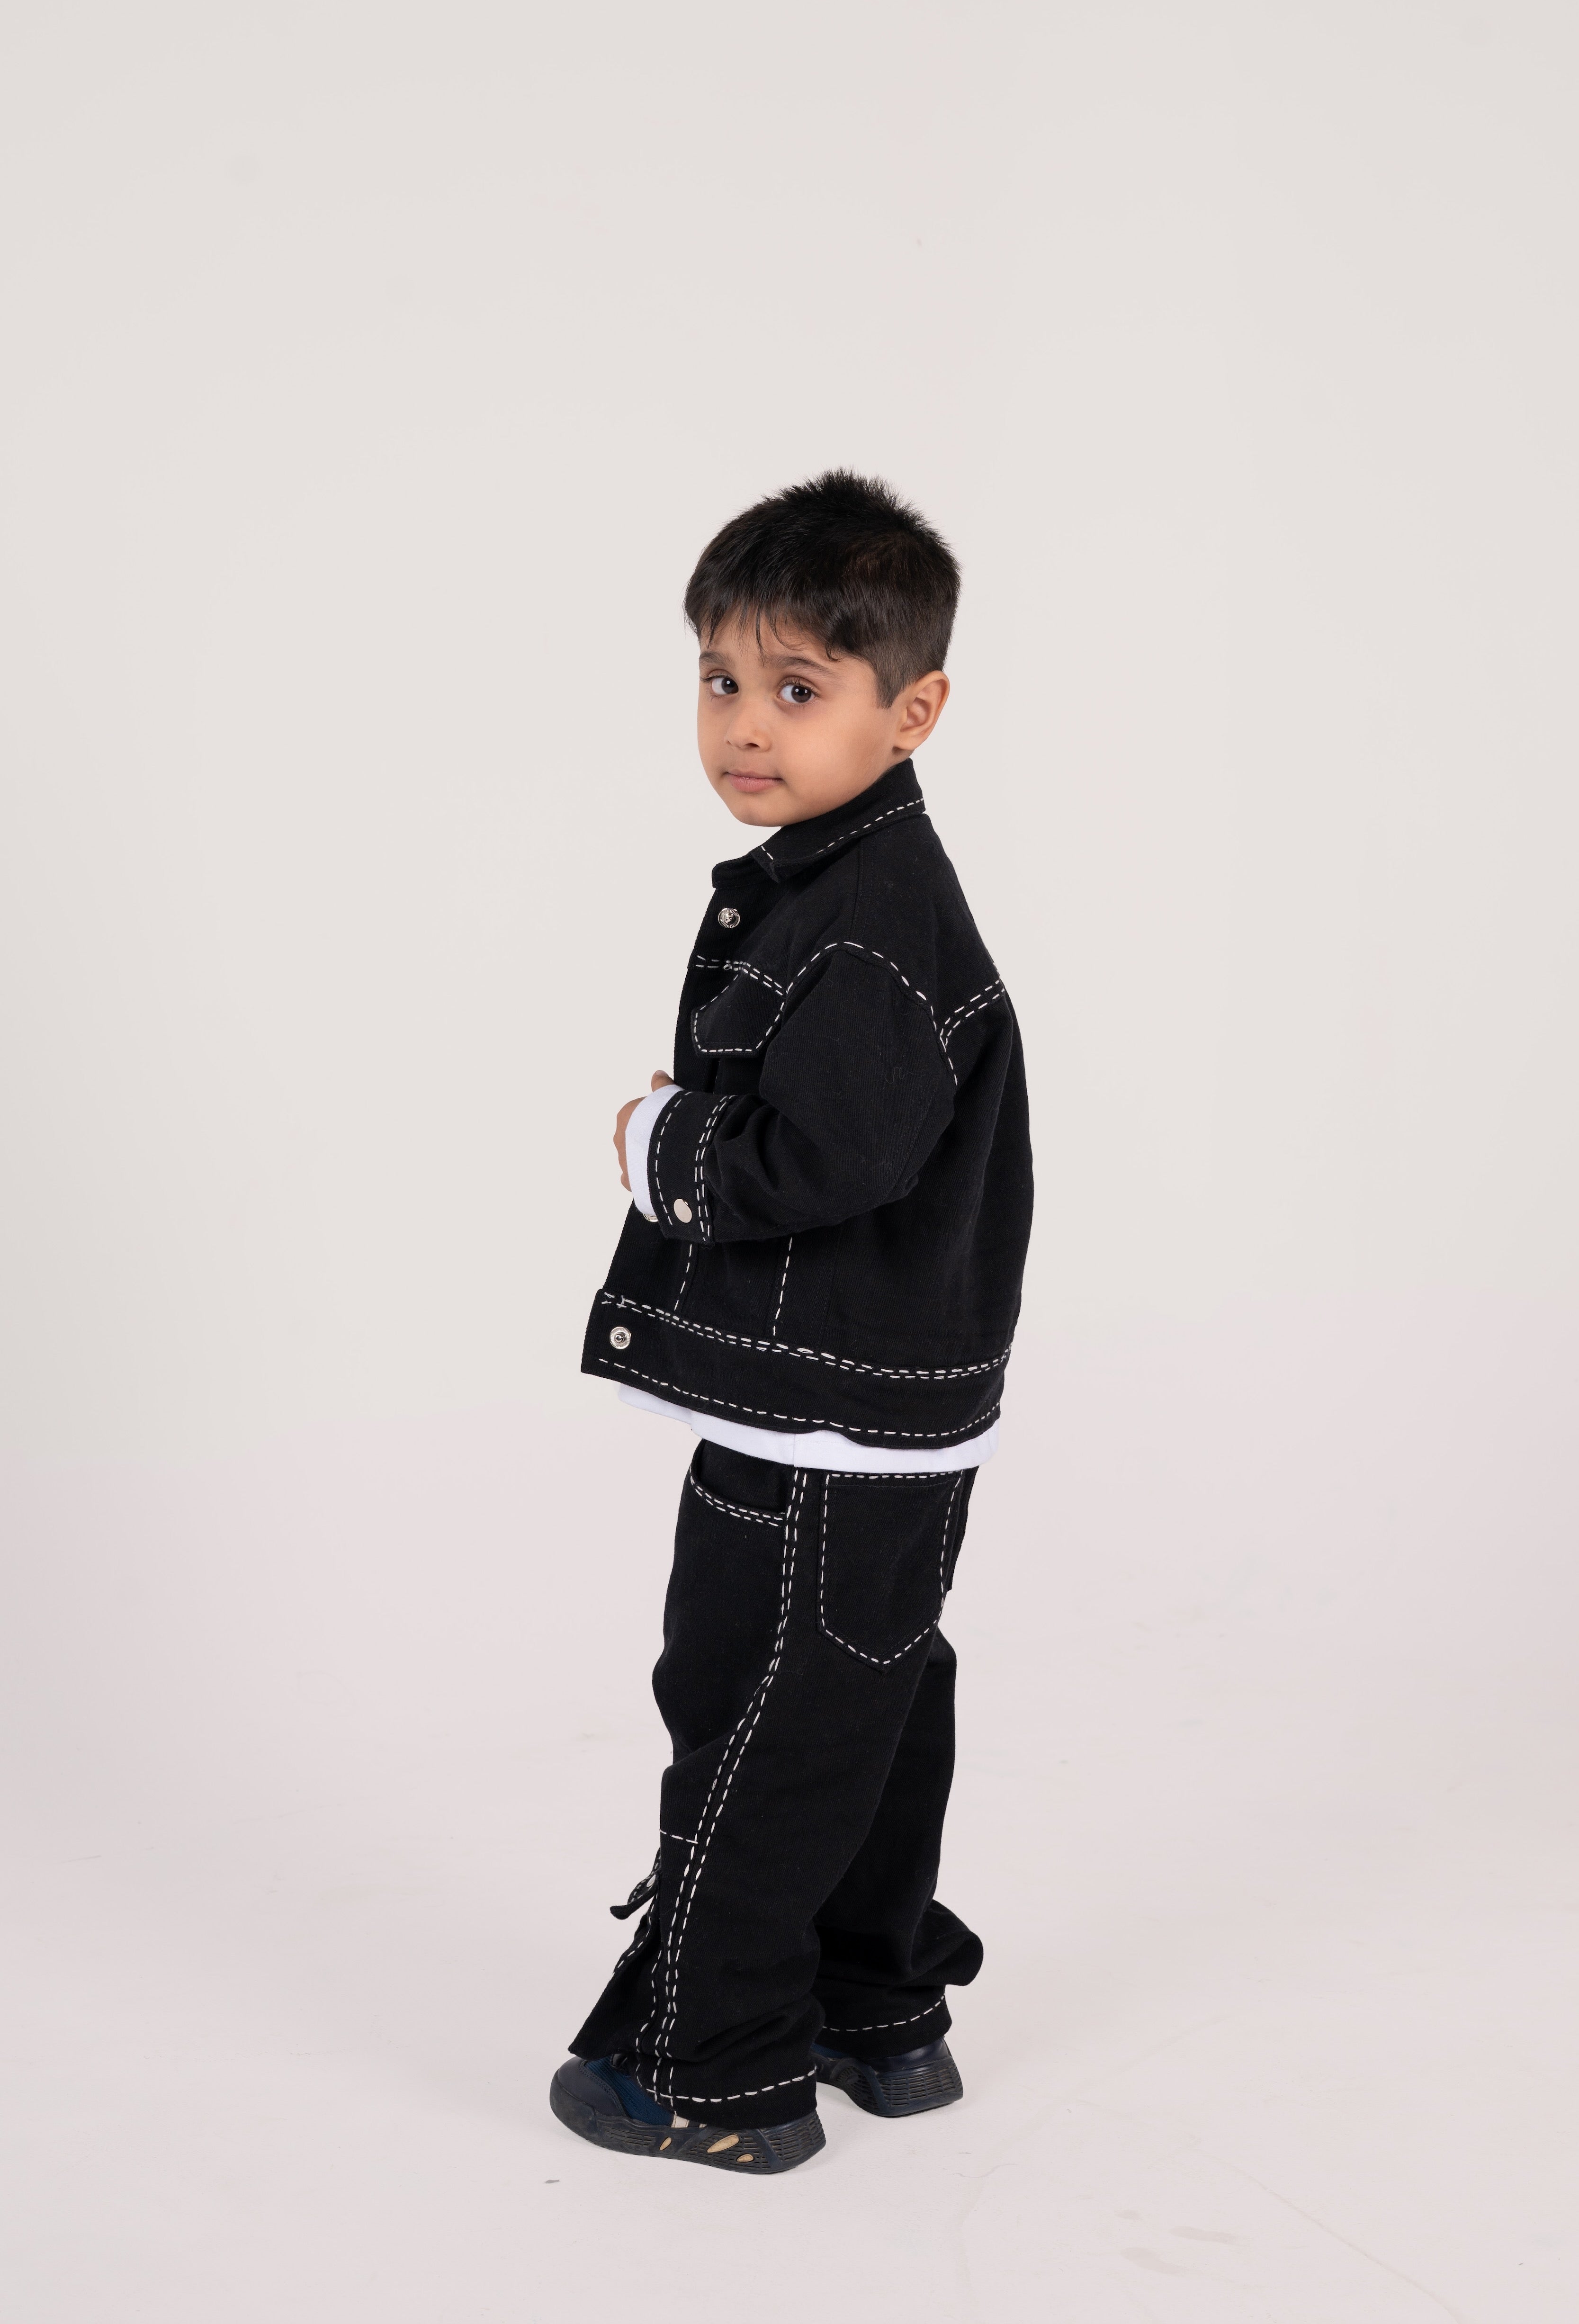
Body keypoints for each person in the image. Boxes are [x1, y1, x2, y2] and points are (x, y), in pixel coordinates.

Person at [549, 471, 1033, 2175]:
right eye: (719, 678)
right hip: (869, 1407)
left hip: (821, 1420)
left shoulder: (873, 927)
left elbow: (827, 1155)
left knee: (756, 1703)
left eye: (799, 689)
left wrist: (663, 1146)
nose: (745, 726)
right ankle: (873, 2010)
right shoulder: (835, 883)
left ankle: (716, 2063)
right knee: (867, 1698)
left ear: (915, 713)